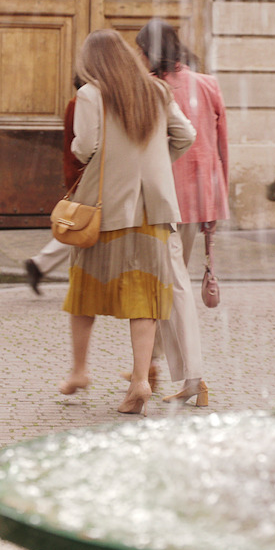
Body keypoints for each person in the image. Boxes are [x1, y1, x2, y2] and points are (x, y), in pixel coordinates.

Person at [58, 29, 195, 415]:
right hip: (152, 209)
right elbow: (186, 135)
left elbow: (86, 148)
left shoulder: (90, 95)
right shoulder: (157, 91)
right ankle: (139, 381)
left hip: (105, 209)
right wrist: (154, 163)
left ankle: (80, 370)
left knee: (84, 290)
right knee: (145, 297)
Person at [135, 20, 228, 407]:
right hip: (201, 196)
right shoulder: (207, 83)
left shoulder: (153, 90)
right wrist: (218, 203)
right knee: (171, 285)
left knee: (169, 287)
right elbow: (221, 146)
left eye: (141, 50)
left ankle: (172, 371)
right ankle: (155, 366)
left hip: (166, 200)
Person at [25, 77, 86, 295]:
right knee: (83, 226)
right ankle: (40, 263)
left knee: (82, 226)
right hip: (84, 174)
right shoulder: (80, 104)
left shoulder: (78, 103)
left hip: (80, 172)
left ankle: (41, 264)